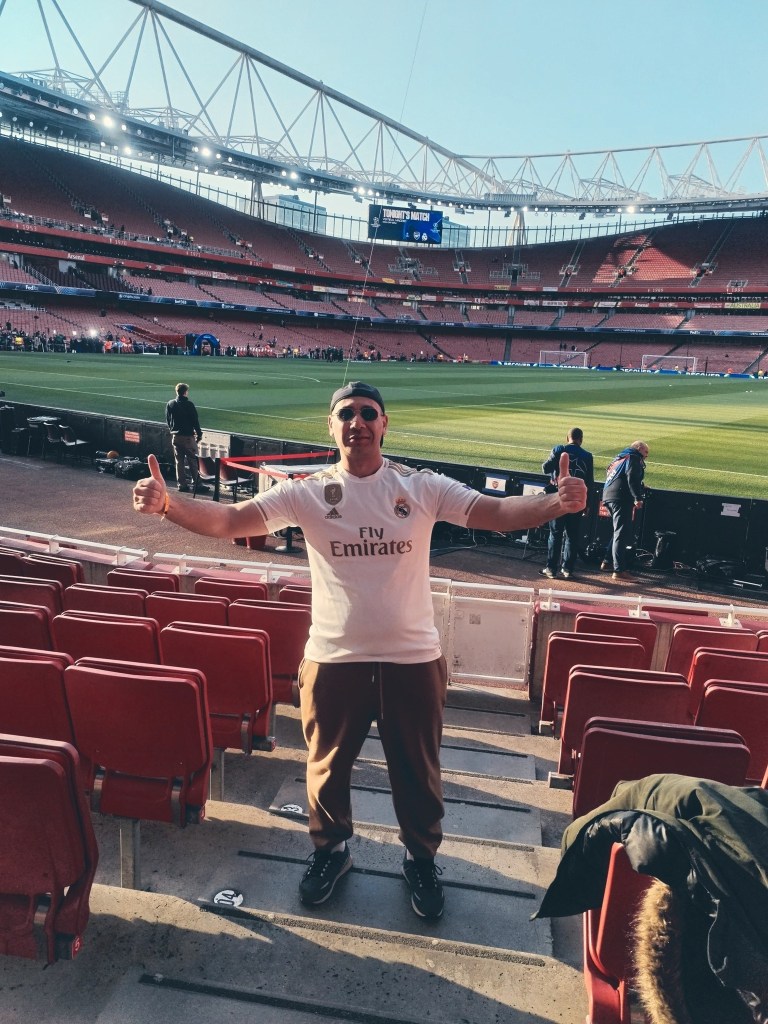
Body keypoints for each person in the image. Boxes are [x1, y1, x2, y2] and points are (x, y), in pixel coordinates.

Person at [132, 381, 586, 919]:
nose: (358, 422)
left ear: (384, 424)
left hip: (412, 659)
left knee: (417, 773)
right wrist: (169, 506)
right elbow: (231, 521)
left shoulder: (420, 486)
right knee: (326, 769)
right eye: (346, 413)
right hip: (333, 658)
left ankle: (420, 859)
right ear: (331, 427)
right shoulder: (305, 492)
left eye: (368, 413)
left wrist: (554, 503)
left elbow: (498, 512)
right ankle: (332, 851)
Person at [540, 427, 594, 580]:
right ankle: (568, 569)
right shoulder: (588, 456)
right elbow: (589, 482)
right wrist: (587, 503)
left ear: (567, 438)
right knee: (572, 535)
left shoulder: (559, 450)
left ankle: (551, 569)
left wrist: (555, 454)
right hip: (576, 499)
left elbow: (545, 469)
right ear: (581, 439)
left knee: (555, 533)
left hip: (559, 497)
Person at [601, 439, 649, 580]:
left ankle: (607, 561)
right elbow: (631, 477)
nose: (647, 455)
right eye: (646, 452)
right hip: (620, 498)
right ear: (638, 448)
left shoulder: (620, 457)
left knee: (619, 532)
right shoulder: (633, 457)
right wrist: (637, 497)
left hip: (608, 496)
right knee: (621, 533)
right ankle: (619, 570)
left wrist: (640, 486)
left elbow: (618, 476)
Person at [165, 382, 204, 493]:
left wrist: (172, 430)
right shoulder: (189, 404)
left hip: (176, 437)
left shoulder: (170, 403)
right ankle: (197, 484)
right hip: (187, 437)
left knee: (179, 462)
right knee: (193, 461)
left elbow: (168, 420)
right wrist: (199, 434)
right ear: (185, 392)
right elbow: (195, 421)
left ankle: (182, 485)